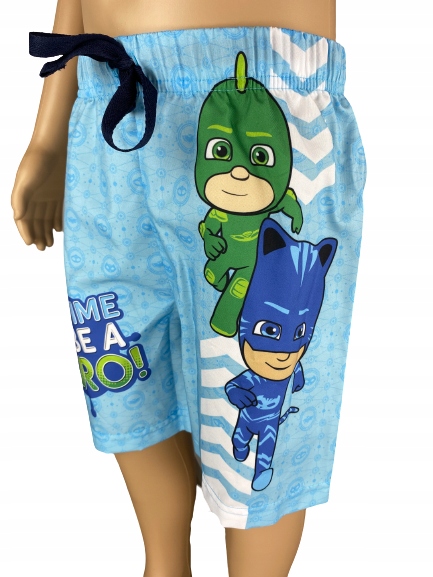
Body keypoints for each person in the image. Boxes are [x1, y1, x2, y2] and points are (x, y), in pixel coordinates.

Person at [11, 2, 365, 576]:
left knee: (263, 388)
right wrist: (48, 135)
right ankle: (164, 563)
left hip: (261, 102)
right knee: (121, 363)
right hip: (107, 103)